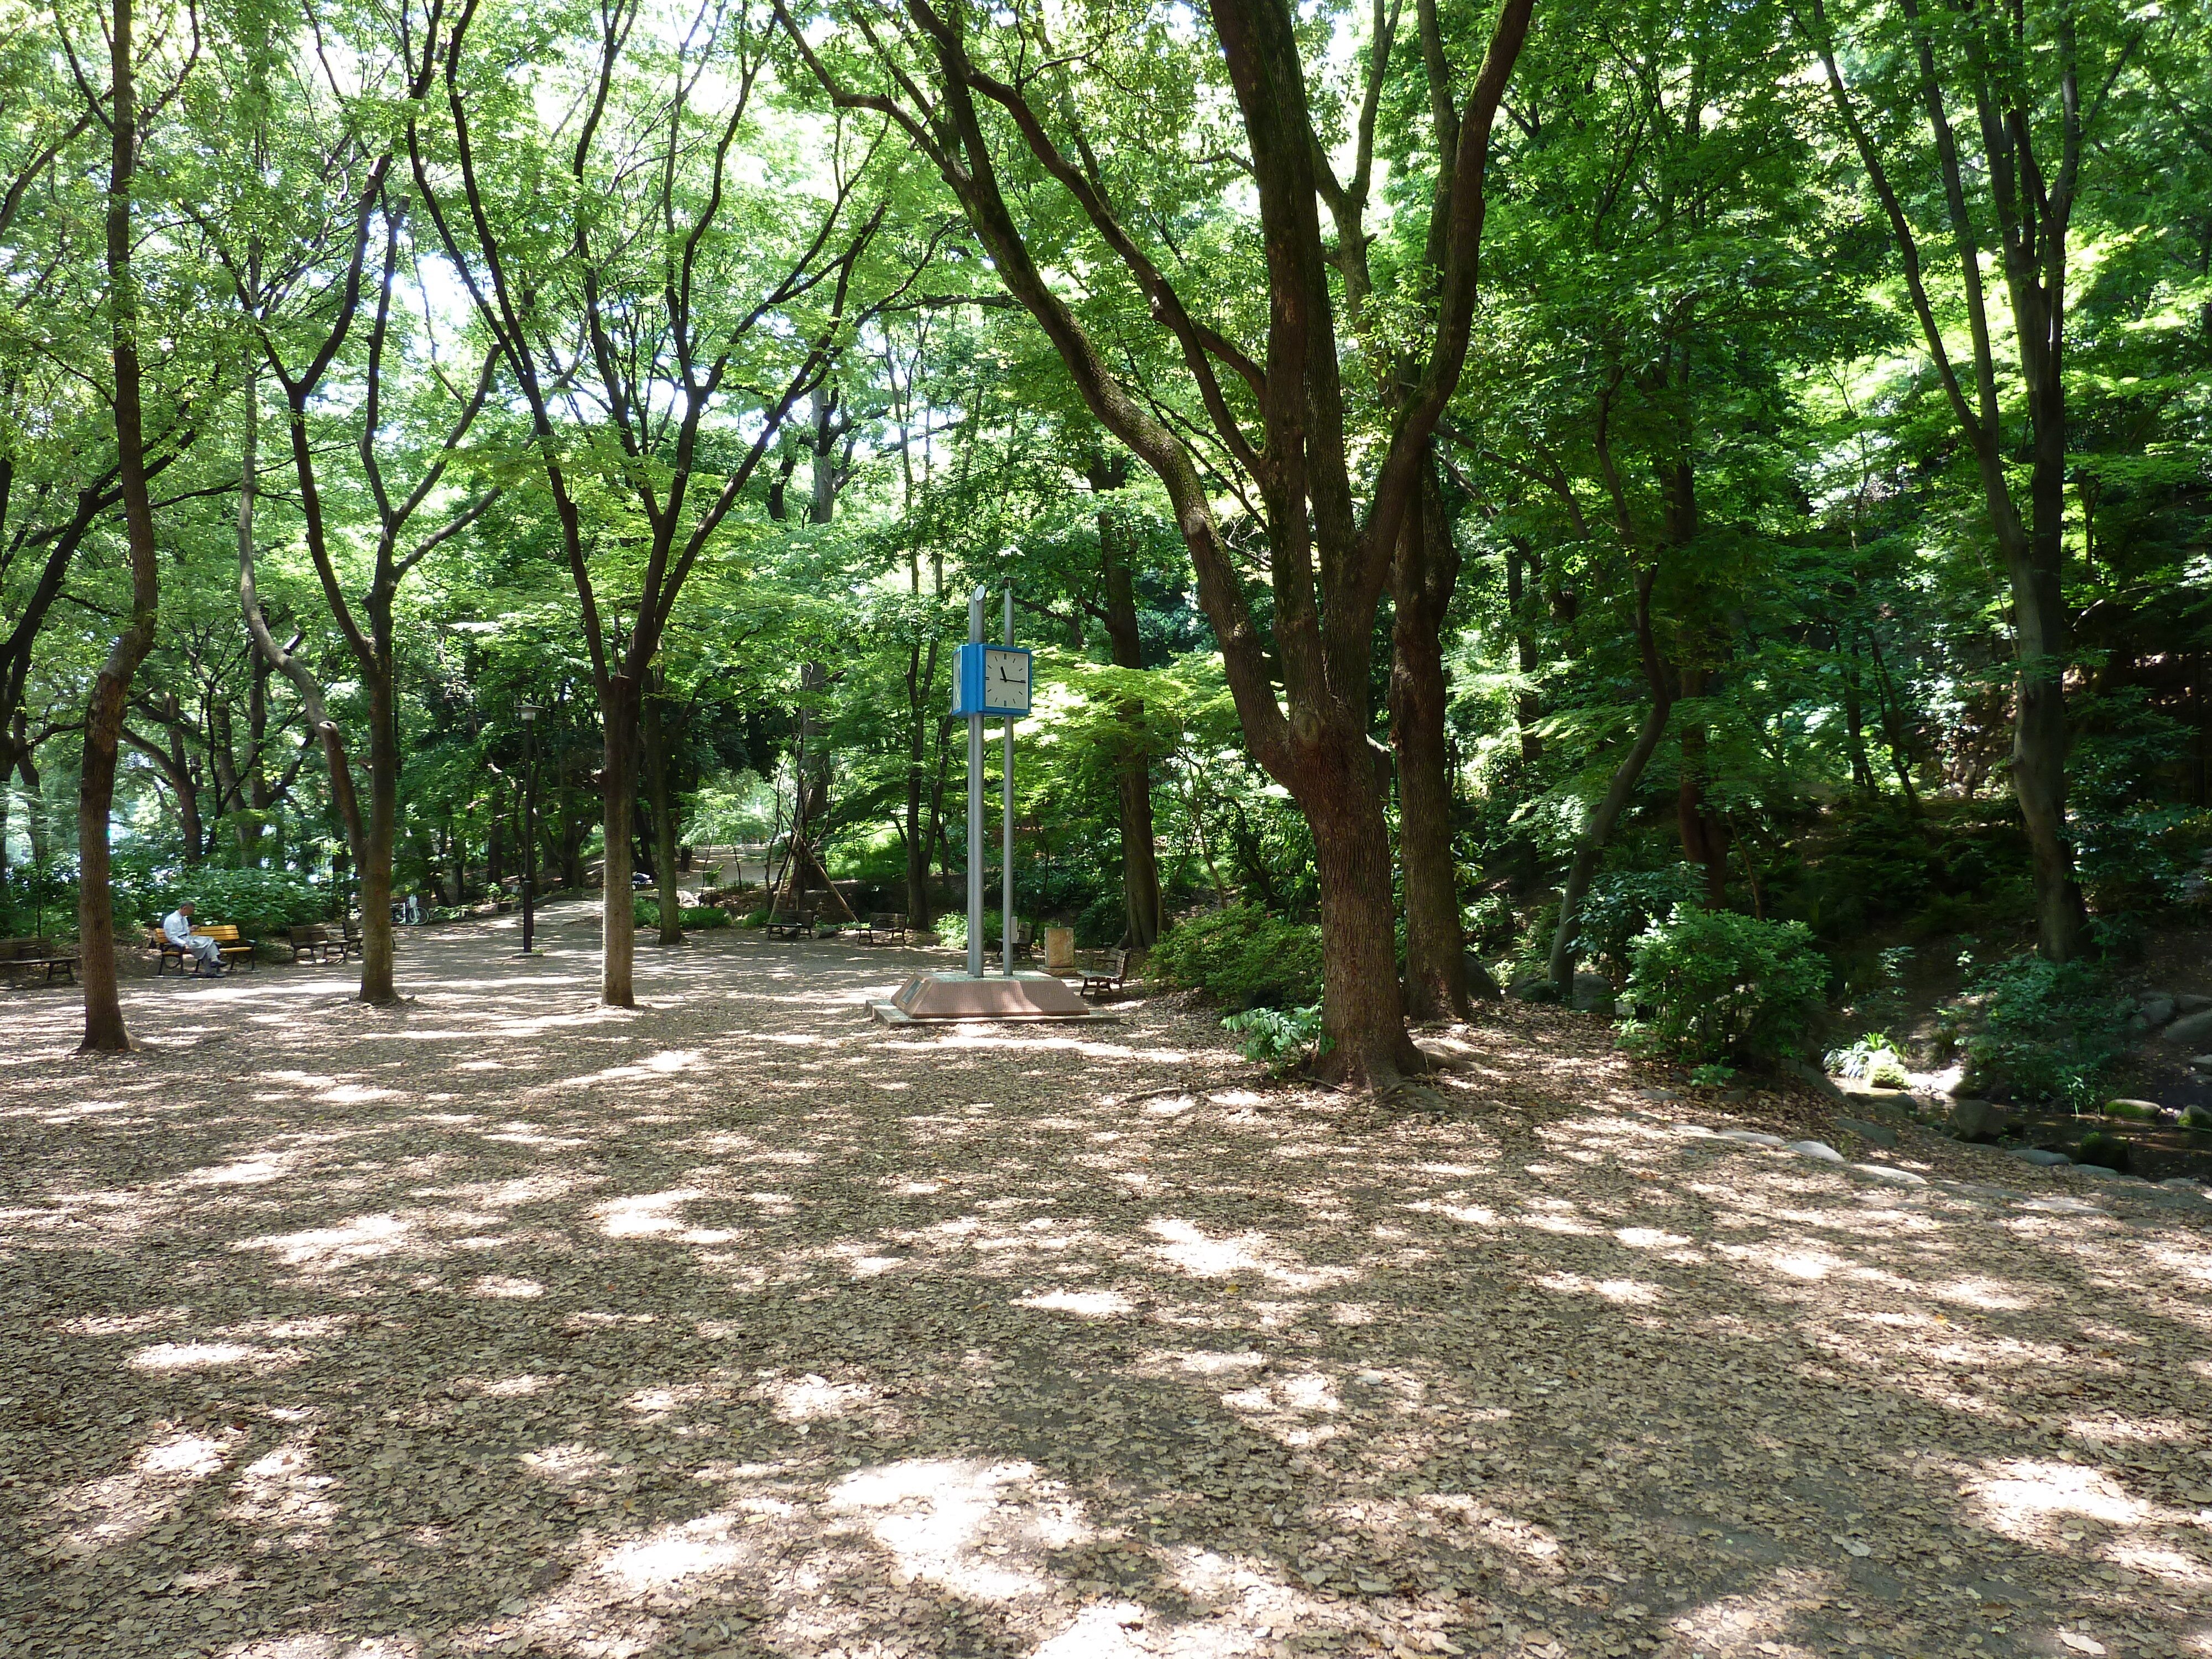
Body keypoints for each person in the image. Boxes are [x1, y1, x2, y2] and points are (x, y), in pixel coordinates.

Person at [161, 902, 225, 976]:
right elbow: (172, 937)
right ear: (184, 908)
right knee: (209, 944)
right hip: (180, 943)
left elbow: (185, 932)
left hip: (188, 939)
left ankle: (212, 968)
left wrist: (191, 929)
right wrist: (184, 944)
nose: (192, 913)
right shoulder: (172, 919)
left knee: (208, 942)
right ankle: (213, 964)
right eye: (191, 911)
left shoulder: (184, 918)